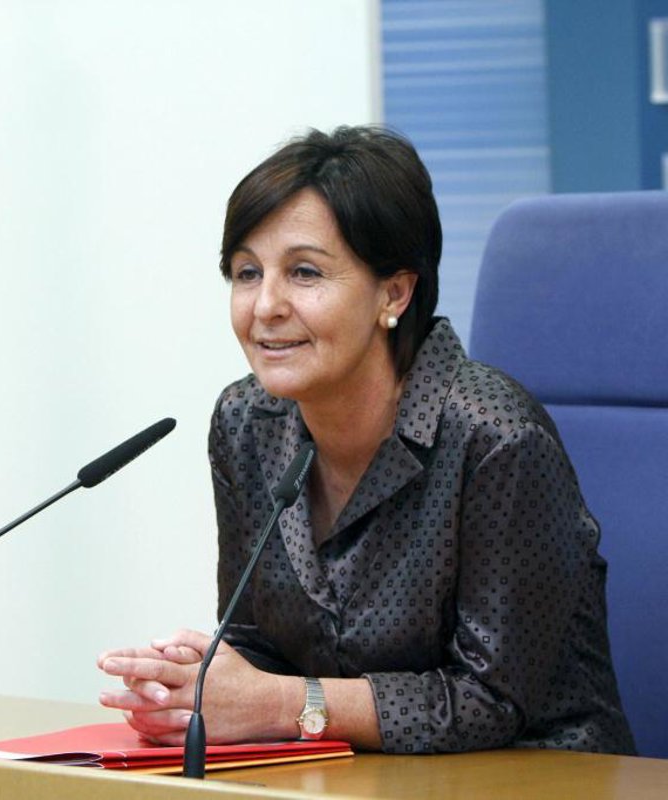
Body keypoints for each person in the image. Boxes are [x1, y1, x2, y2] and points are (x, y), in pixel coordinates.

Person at [96, 126, 635, 755]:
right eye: (247, 273)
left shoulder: (496, 438)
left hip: (533, 776)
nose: (265, 305)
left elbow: (490, 700)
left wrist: (275, 704)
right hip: (353, 775)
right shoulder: (246, 423)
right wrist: (199, 687)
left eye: (304, 272)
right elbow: (257, 641)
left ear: (394, 293)